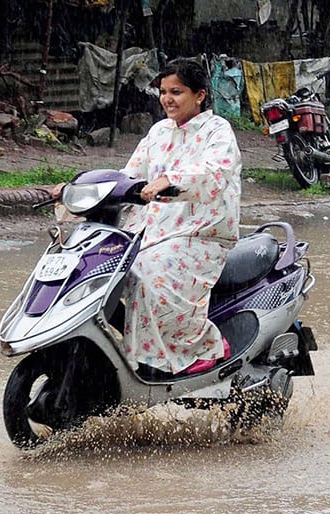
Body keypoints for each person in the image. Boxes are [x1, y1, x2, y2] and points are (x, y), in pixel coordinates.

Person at [55, 58, 242, 375]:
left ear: (199, 95)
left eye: (176, 92)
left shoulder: (217, 131)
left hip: (200, 232)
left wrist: (171, 180)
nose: (167, 99)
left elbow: (215, 172)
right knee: (99, 267)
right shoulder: (158, 132)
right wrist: (77, 189)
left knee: (144, 274)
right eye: (163, 91)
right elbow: (128, 176)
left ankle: (199, 347)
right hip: (152, 229)